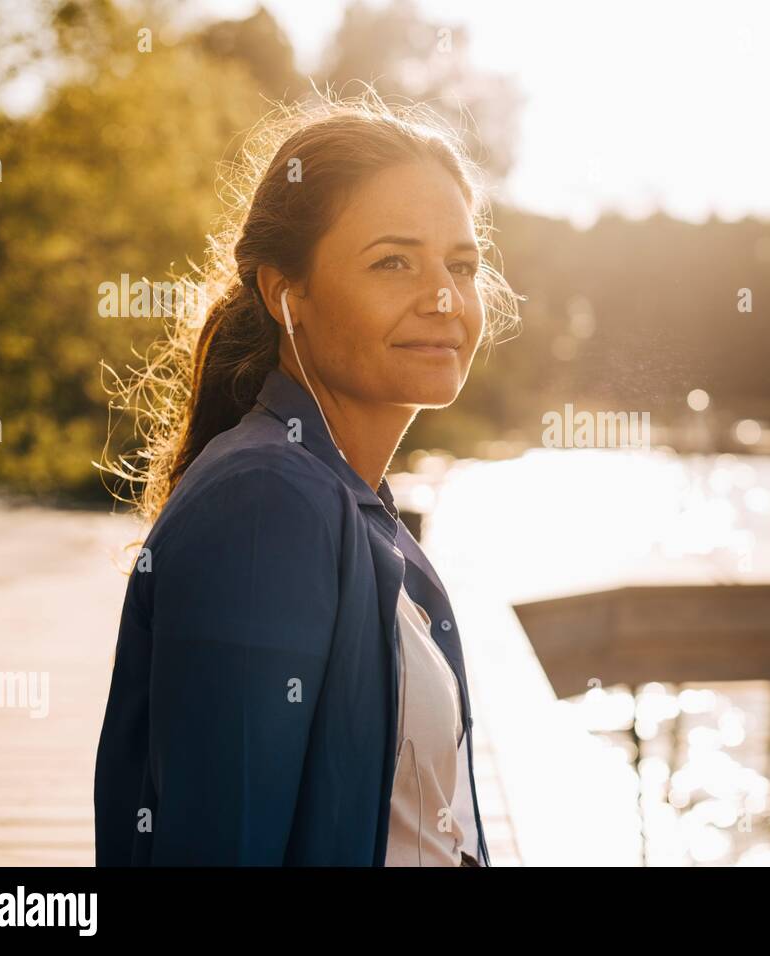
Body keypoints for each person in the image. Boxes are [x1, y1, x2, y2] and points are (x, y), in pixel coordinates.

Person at [93, 95, 520, 866]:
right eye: (393, 261)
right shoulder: (265, 504)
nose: (444, 297)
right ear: (288, 295)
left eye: (461, 264)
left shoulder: (345, 500)